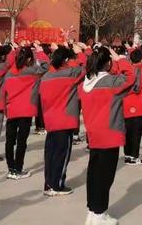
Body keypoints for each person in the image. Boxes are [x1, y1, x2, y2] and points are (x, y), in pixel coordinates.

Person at [80, 46, 134, 225]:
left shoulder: (85, 83)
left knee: (94, 174)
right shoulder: (111, 82)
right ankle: (99, 214)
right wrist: (120, 60)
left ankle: (92, 211)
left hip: (94, 134)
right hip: (109, 134)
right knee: (105, 177)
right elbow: (131, 77)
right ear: (108, 63)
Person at [39, 45, 85, 196]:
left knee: (50, 154)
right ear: (66, 60)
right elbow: (86, 67)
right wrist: (81, 53)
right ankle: (57, 185)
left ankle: (48, 183)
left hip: (51, 120)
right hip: (65, 120)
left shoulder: (46, 77)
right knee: (62, 154)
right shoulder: (70, 73)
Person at [3, 45, 49, 179]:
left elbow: (4, 92)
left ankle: (11, 169)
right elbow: (47, 65)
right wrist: (40, 52)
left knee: (10, 140)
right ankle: (18, 168)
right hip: (26, 110)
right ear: (29, 59)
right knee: (21, 141)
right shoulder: (33, 71)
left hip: (12, 109)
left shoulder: (9, 73)